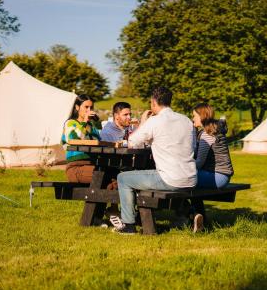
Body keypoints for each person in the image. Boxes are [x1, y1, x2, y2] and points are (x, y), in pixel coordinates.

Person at [113, 87, 197, 234]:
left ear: (153, 103)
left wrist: (144, 122)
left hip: (170, 179)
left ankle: (129, 225)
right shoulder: (186, 121)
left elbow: (132, 142)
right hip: (191, 178)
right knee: (150, 174)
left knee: (123, 178)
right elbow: (193, 147)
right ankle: (186, 215)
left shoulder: (154, 121)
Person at [190, 103, 234, 232]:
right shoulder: (212, 130)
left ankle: (187, 214)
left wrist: (182, 165)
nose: (193, 119)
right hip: (221, 176)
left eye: (194, 116)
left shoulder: (207, 135)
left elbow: (199, 163)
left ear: (202, 116)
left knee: (183, 177)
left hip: (218, 176)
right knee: (191, 182)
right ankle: (198, 217)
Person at [61, 95, 100, 183]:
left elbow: (99, 142)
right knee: (103, 176)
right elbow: (76, 139)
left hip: (92, 165)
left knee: (115, 177)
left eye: (91, 107)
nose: (89, 110)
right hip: (75, 168)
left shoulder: (91, 127)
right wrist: (84, 122)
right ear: (77, 107)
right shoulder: (70, 123)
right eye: (86, 107)